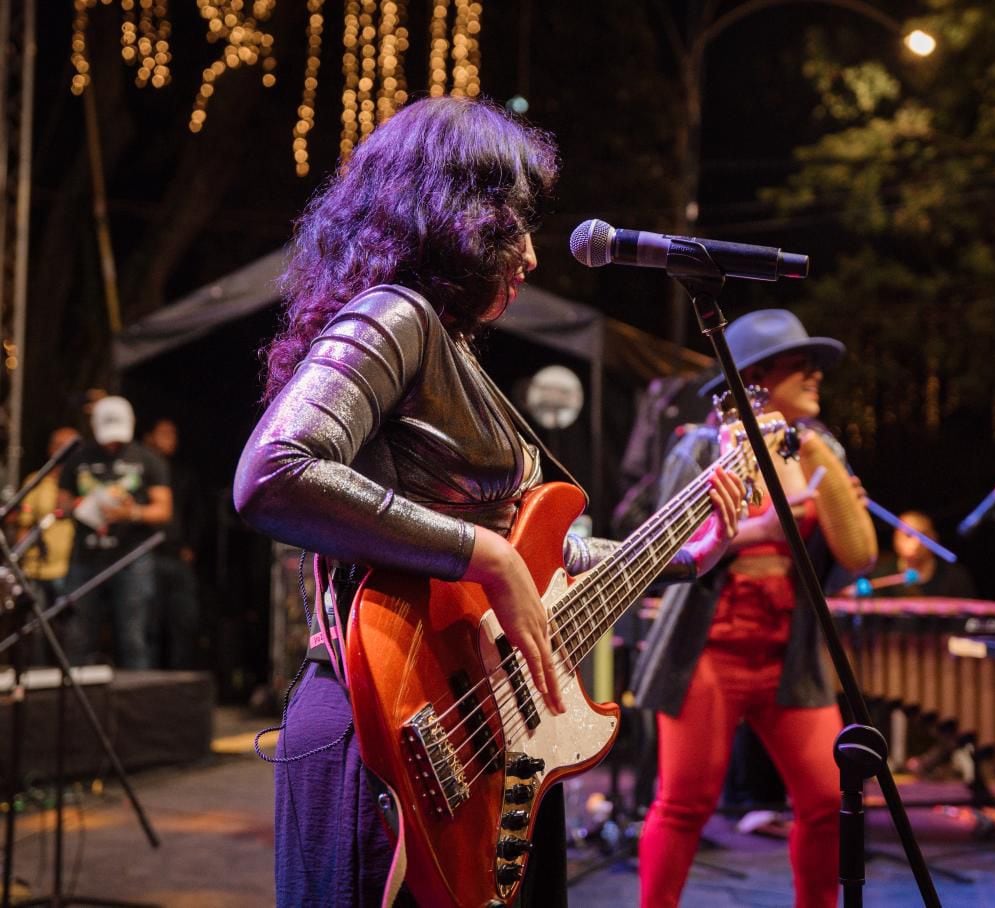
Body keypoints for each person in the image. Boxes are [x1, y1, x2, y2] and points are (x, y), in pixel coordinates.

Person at [233, 97, 743, 908]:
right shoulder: (393, 314)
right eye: (514, 225)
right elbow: (275, 470)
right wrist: (485, 557)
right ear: (454, 217)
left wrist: (691, 553)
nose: (533, 257)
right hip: (391, 728)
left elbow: (546, 556)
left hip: (484, 742)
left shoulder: (449, 348)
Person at [631, 309, 878, 908]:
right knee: (684, 802)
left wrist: (835, 484)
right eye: (802, 364)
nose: (817, 374)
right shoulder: (700, 450)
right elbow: (668, 549)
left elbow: (860, 555)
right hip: (708, 648)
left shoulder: (821, 449)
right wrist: (764, 528)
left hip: (786, 649)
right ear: (758, 378)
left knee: (827, 800)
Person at [58, 396, 172, 668]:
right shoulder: (78, 458)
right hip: (85, 557)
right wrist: (85, 505)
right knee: (78, 635)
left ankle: (138, 703)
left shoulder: (148, 460)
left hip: (131, 559)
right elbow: (60, 505)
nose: (112, 443)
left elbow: (164, 510)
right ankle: (76, 703)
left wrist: (131, 512)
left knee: (133, 635)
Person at [7, 426, 79, 666]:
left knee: (68, 631)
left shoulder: (81, 481)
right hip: (36, 568)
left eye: (70, 446)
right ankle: (38, 679)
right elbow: (23, 523)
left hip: (70, 569)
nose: (64, 451)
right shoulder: (36, 481)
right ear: (51, 449)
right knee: (34, 630)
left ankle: (69, 677)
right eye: (59, 445)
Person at [142, 417, 203, 669]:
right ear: (150, 437)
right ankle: (149, 678)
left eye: (173, 434)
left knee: (184, 619)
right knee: (149, 623)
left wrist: (191, 546)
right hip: (148, 555)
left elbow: (197, 513)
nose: (170, 440)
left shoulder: (183, 474)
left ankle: (182, 676)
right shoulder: (142, 470)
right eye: (163, 434)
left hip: (177, 555)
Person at [830, 510, 976, 599]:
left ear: (934, 538)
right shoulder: (881, 575)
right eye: (908, 535)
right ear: (896, 540)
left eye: (923, 535)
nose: (917, 542)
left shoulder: (956, 578)